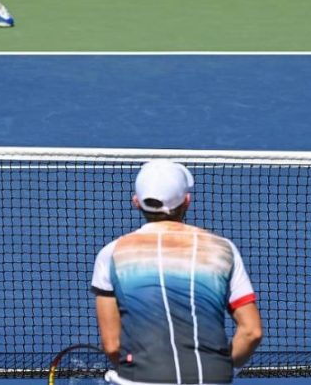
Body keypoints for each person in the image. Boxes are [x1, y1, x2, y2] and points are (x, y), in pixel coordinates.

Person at [92, 161, 262, 384]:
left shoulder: (112, 254)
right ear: (187, 202)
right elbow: (252, 332)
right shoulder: (223, 250)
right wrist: (223, 369)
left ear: (136, 202)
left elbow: (112, 345)